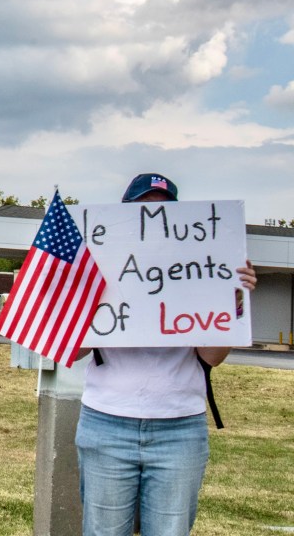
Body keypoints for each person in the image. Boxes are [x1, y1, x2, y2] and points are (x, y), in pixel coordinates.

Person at [75, 173, 258, 536]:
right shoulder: (100, 265)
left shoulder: (201, 268)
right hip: (106, 422)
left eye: (163, 212)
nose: (153, 220)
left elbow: (212, 356)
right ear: (125, 216)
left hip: (180, 427)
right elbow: (75, 349)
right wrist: (79, 294)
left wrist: (233, 301)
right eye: (144, 211)